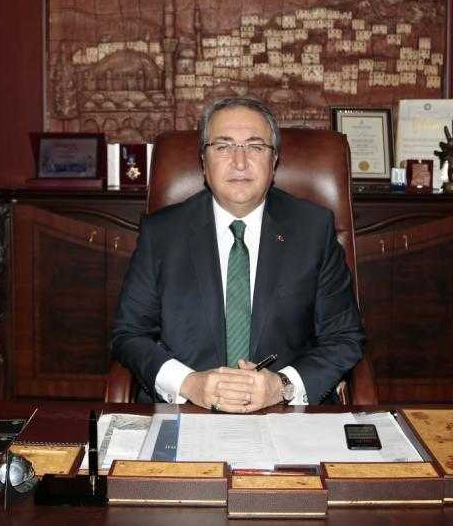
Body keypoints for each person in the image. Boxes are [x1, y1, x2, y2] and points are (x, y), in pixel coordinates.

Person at [111, 97, 364, 413]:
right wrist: (188, 384)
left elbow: (344, 337)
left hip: (283, 413)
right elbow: (129, 334)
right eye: (223, 146)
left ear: (274, 161)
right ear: (203, 162)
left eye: (255, 147)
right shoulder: (162, 233)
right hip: (188, 411)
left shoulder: (313, 229)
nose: (240, 162)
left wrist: (282, 386)